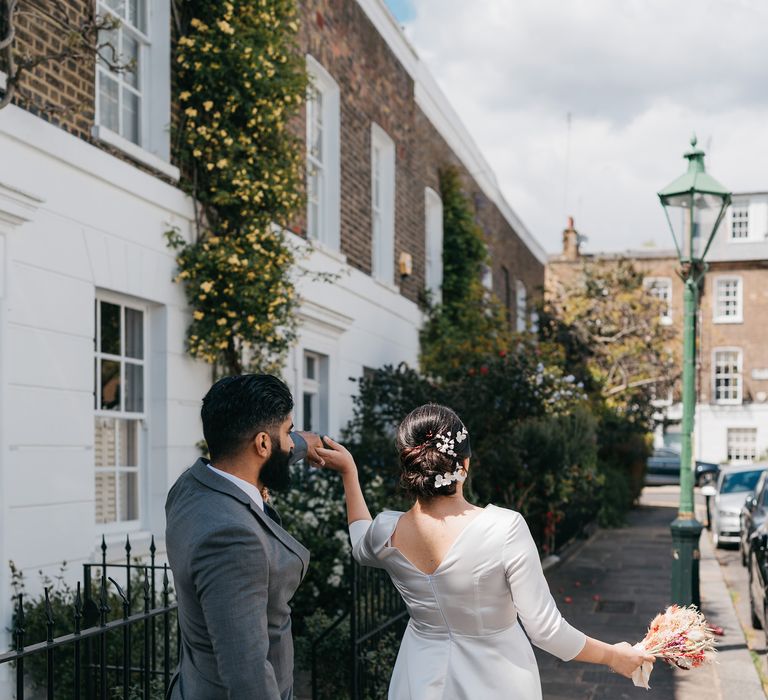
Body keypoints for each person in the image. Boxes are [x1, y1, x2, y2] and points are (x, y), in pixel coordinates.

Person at [316, 403, 654, 699]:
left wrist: (349, 472)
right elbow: (548, 632)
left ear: (409, 467)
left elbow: (359, 543)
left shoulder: (385, 532)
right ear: (463, 465)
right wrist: (614, 656)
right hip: (497, 682)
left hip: (416, 679)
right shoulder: (504, 528)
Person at [165, 374, 325, 700]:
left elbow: (273, 450)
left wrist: (308, 443)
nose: (292, 440)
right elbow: (248, 674)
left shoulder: (190, 487)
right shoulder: (234, 540)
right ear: (263, 443)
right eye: (287, 431)